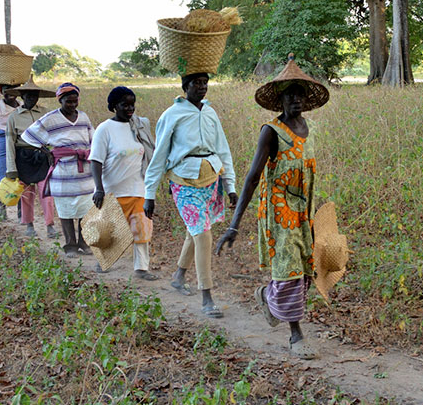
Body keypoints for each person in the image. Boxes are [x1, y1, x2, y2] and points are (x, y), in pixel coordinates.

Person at [216, 56, 330, 359]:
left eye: (299, 94)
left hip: (304, 209)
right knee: (290, 269)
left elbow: (308, 173)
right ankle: (296, 336)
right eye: (289, 94)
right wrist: (234, 225)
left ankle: (267, 296)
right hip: (279, 209)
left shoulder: (311, 128)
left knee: (305, 269)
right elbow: (253, 177)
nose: (295, 99)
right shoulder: (271, 131)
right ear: (279, 99)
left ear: (306, 99)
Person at [144, 72, 237, 318]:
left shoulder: (210, 112)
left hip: (211, 179)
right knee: (203, 235)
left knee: (194, 231)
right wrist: (149, 194)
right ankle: (207, 296)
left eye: (205, 83)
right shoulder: (172, 115)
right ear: (185, 86)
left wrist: (231, 186)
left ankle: (178, 276)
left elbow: (223, 149)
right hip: (184, 182)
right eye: (197, 83)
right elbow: (159, 155)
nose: (202, 87)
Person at [90, 86, 158, 280]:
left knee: (142, 228)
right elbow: (96, 160)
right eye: (124, 105)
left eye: (132, 105)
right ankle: (104, 260)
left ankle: (141, 268)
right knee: (111, 230)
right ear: (113, 106)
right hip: (113, 190)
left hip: (138, 187)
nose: (130, 109)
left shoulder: (138, 126)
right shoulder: (105, 129)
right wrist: (99, 189)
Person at [22, 82, 94, 258]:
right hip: (63, 171)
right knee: (66, 208)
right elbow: (29, 135)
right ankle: (70, 245)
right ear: (60, 100)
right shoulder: (50, 118)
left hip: (84, 169)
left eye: (75, 101)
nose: (72, 105)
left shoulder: (83, 117)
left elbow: (93, 139)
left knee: (86, 207)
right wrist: (47, 151)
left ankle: (84, 243)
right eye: (68, 101)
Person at [5, 77, 59, 240]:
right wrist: (11, 168)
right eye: (28, 96)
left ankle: (50, 226)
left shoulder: (45, 113)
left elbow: (54, 136)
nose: (31, 98)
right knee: (27, 194)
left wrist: (53, 154)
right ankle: (29, 224)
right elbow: (10, 143)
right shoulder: (13, 117)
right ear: (22, 97)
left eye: (34, 96)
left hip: (42, 157)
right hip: (23, 157)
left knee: (46, 193)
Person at [0, 84, 20, 218]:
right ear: (1, 91)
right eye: (7, 90)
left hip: (20, 140)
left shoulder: (22, 107)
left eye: (14, 89)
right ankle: (1, 206)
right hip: (2, 140)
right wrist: (0, 141)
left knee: (20, 175)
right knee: (2, 173)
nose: (11, 93)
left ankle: (21, 211)